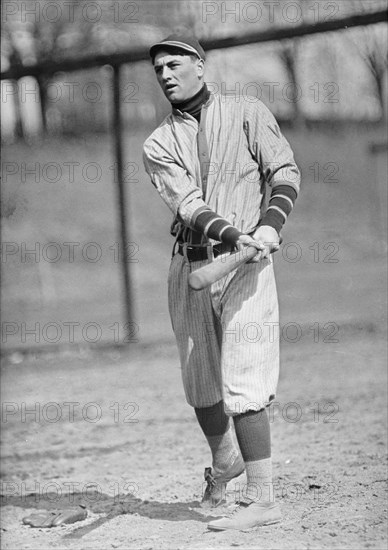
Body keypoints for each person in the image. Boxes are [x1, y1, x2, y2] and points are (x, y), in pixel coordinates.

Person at [143, 34, 300, 531]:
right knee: (201, 381)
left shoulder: (248, 112)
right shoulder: (157, 143)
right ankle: (224, 459)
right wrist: (239, 235)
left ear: (200, 66)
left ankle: (263, 498)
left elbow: (285, 172)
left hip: (247, 270)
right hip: (192, 265)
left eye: (174, 64)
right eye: (159, 69)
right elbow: (190, 205)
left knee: (244, 377)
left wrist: (270, 226)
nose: (166, 74)